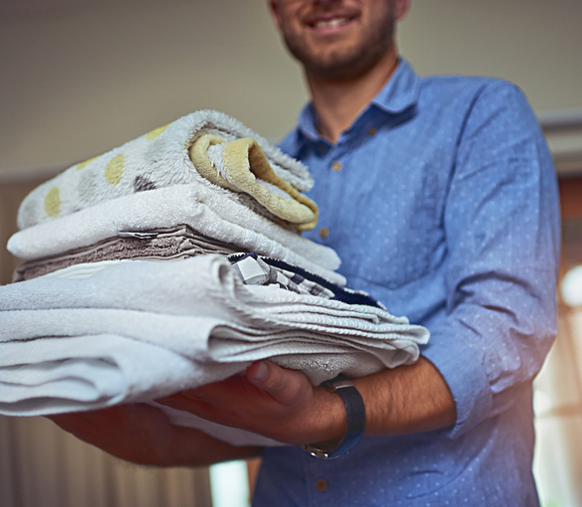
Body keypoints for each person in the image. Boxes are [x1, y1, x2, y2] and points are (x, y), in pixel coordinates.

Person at [51, 0, 561, 504]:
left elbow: (508, 326)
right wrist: (38, 379)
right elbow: (198, 433)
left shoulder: (480, 115)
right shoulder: (255, 181)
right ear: (276, 11)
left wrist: (328, 413)